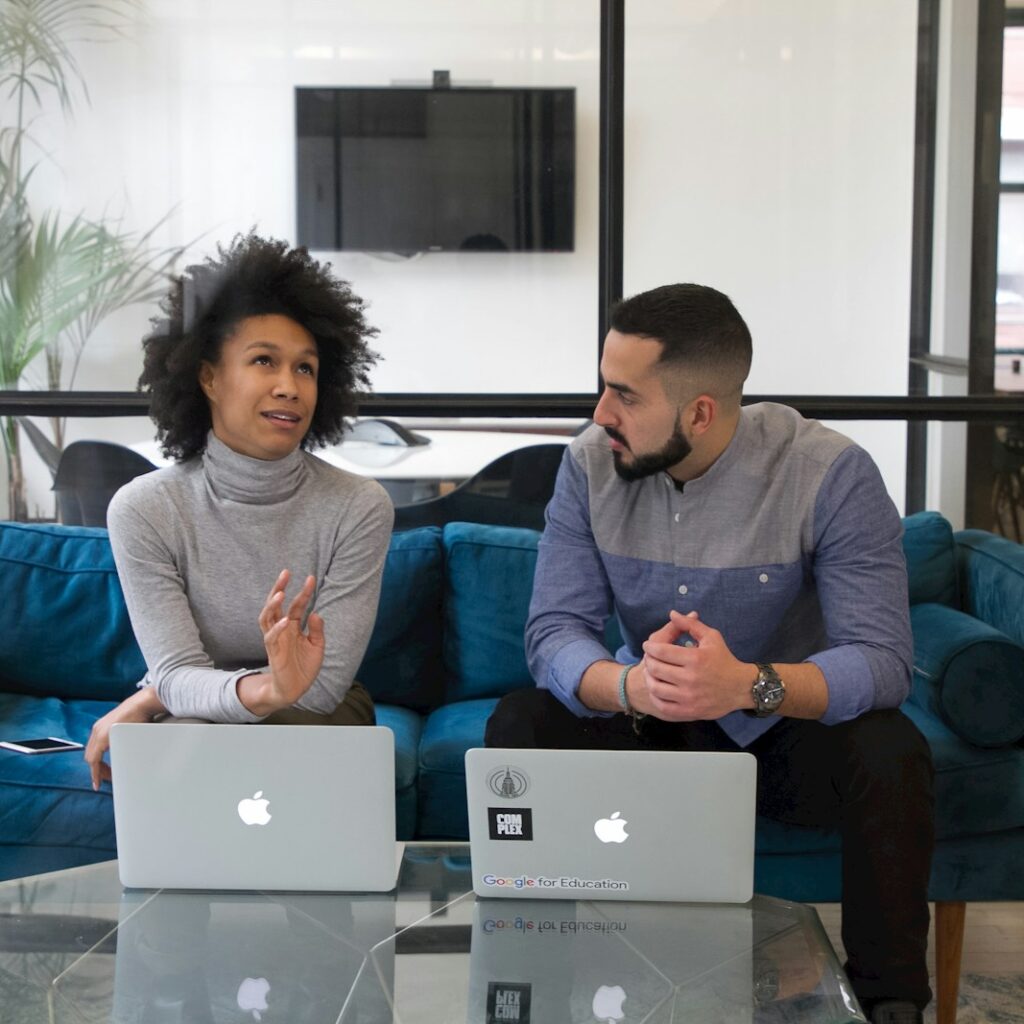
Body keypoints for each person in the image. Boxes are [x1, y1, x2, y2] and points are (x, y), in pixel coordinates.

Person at [485, 284, 935, 1024]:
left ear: (700, 411)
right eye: (603, 386)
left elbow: (883, 661)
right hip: (646, 723)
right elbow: (553, 634)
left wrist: (745, 685)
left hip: (776, 731)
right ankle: (530, 990)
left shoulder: (829, 473)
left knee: (890, 750)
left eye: (624, 396)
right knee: (521, 722)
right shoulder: (587, 467)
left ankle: (890, 1002)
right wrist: (631, 687)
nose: (601, 415)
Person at [84, 233, 393, 789]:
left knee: (196, 737)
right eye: (263, 361)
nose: (289, 387)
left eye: (305, 369)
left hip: (319, 717)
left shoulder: (357, 506)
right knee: (178, 745)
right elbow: (177, 673)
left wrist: (160, 696)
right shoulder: (145, 509)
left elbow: (320, 689)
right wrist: (240, 688)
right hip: (201, 713)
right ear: (208, 377)